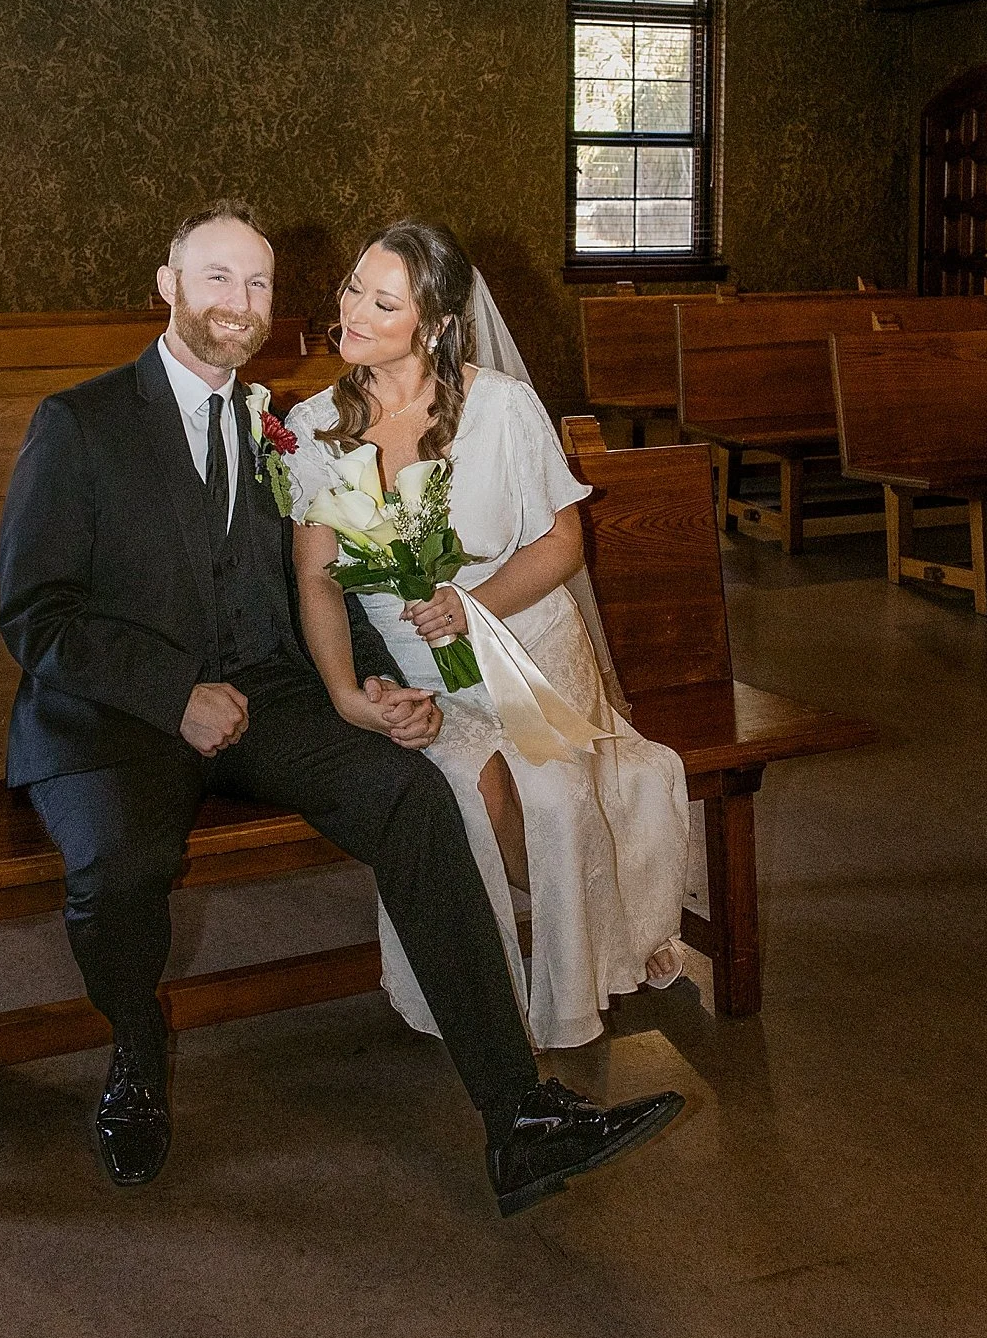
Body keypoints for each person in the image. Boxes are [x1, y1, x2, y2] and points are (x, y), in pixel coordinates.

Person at [0, 200, 685, 1213]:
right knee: (118, 862)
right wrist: (172, 694)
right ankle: (136, 1051)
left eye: (258, 282)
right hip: (116, 713)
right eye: (216, 275)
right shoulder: (81, 421)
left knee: (414, 794)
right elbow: (34, 612)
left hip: (261, 697)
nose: (239, 300)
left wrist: (372, 689)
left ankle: (518, 1115)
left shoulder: (277, 425)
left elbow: (321, 584)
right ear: (168, 284)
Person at [285, 220, 692, 1051]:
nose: (353, 311)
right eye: (354, 287)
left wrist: (475, 603)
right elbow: (319, 579)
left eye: (383, 302)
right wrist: (346, 693)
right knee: (474, 795)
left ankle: (569, 985)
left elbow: (563, 544)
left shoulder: (501, 408)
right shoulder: (314, 425)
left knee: (557, 793)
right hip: (414, 669)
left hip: (525, 649)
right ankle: (488, 1003)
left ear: (435, 324)